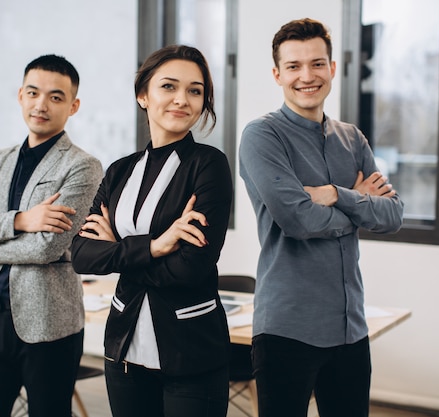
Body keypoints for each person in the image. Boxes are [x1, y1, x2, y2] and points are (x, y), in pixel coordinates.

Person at [239, 18, 404, 417]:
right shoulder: (262, 136)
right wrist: (358, 207)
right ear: (277, 74)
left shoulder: (352, 138)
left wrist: (335, 195)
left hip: (350, 328)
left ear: (332, 69)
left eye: (316, 64)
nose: (306, 76)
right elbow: (298, 222)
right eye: (293, 66)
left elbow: (393, 214)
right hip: (287, 329)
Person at [71, 44, 233, 417]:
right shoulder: (120, 171)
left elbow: (192, 266)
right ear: (143, 96)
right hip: (125, 351)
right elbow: (81, 253)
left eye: (195, 90)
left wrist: (120, 249)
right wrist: (158, 245)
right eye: (169, 87)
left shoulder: (209, 165)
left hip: (191, 353)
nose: (182, 99)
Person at [0, 54, 103, 417]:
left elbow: (48, 247)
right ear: (20, 95)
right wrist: (21, 220)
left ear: (73, 105)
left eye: (55, 97)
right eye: (33, 92)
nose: (41, 104)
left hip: (50, 324)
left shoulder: (83, 166)